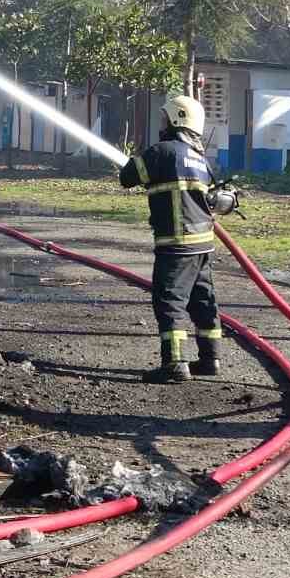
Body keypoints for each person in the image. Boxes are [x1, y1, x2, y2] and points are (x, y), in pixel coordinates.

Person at [119, 95, 239, 383]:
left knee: (169, 302)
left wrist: (138, 160)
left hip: (176, 245)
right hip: (203, 244)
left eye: (164, 118)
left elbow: (127, 177)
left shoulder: (162, 152)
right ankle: (210, 360)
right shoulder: (200, 158)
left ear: (177, 119)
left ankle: (174, 364)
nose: (161, 123)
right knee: (203, 301)